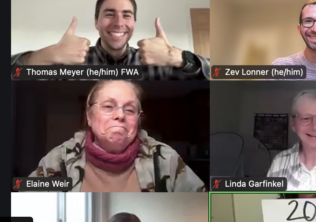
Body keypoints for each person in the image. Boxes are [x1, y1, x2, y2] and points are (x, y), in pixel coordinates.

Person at [29, 80, 206, 191]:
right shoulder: (58, 159)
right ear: (89, 117)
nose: (120, 115)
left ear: (137, 119)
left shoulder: (165, 159)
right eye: (108, 106)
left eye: (129, 109)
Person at [12, 0, 209, 80]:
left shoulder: (160, 64)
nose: (118, 23)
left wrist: (181, 58)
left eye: (126, 15)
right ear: (96, 22)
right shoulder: (68, 63)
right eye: (109, 14)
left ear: (133, 23)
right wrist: (47, 55)